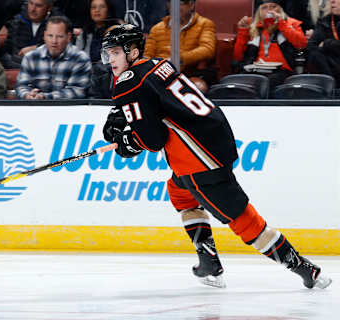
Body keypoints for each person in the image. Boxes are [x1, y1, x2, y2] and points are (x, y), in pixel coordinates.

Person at [100, 24, 332, 289]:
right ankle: (209, 260)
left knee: (243, 219)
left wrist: (128, 141)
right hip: (215, 136)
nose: (111, 60)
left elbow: (153, 141)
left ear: (132, 52)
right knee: (179, 191)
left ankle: (304, 269)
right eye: (109, 53)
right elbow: (161, 107)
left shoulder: (128, 82)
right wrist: (130, 120)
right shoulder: (157, 64)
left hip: (199, 158)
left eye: (116, 52)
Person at [234, 0, 307, 90]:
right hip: (255, 70)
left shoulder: (291, 23)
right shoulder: (253, 27)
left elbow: (301, 44)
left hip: (282, 70)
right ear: (259, 12)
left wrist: (281, 23)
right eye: (264, 8)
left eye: (273, 7)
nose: (269, 10)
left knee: (269, 82)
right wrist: (243, 31)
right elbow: (238, 56)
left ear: (280, 10)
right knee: (238, 83)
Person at [15, 15, 92, 100]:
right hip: (35, 108)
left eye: (59, 36)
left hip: (68, 110)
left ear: (69, 37)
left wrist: (45, 97)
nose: (54, 41)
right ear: (44, 36)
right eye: (50, 36)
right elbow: (22, 85)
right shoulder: (31, 57)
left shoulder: (80, 59)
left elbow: (77, 91)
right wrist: (27, 95)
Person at [144, 0, 217, 87]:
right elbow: (147, 56)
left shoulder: (205, 24)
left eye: (181, 3)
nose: (176, 7)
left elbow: (208, 49)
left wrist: (180, 58)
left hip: (189, 74)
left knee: (199, 86)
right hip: (160, 75)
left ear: (192, 5)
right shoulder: (156, 29)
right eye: (171, 3)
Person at [0, 0, 56, 69]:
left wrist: (37, 49)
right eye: (31, 3)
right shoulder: (18, 21)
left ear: (49, 8)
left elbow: (63, 47)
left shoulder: (58, 24)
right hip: (18, 67)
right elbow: (9, 51)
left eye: (38, 6)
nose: (32, 9)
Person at [75, 0, 121, 64]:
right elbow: (77, 58)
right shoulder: (84, 33)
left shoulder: (116, 32)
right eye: (93, 7)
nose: (97, 10)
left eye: (102, 7)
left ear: (108, 10)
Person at [306, 0, 340, 86]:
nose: (332, 1)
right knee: (315, 54)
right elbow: (311, 45)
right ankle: (330, 86)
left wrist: (327, 43)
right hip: (331, 67)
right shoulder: (324, 21)